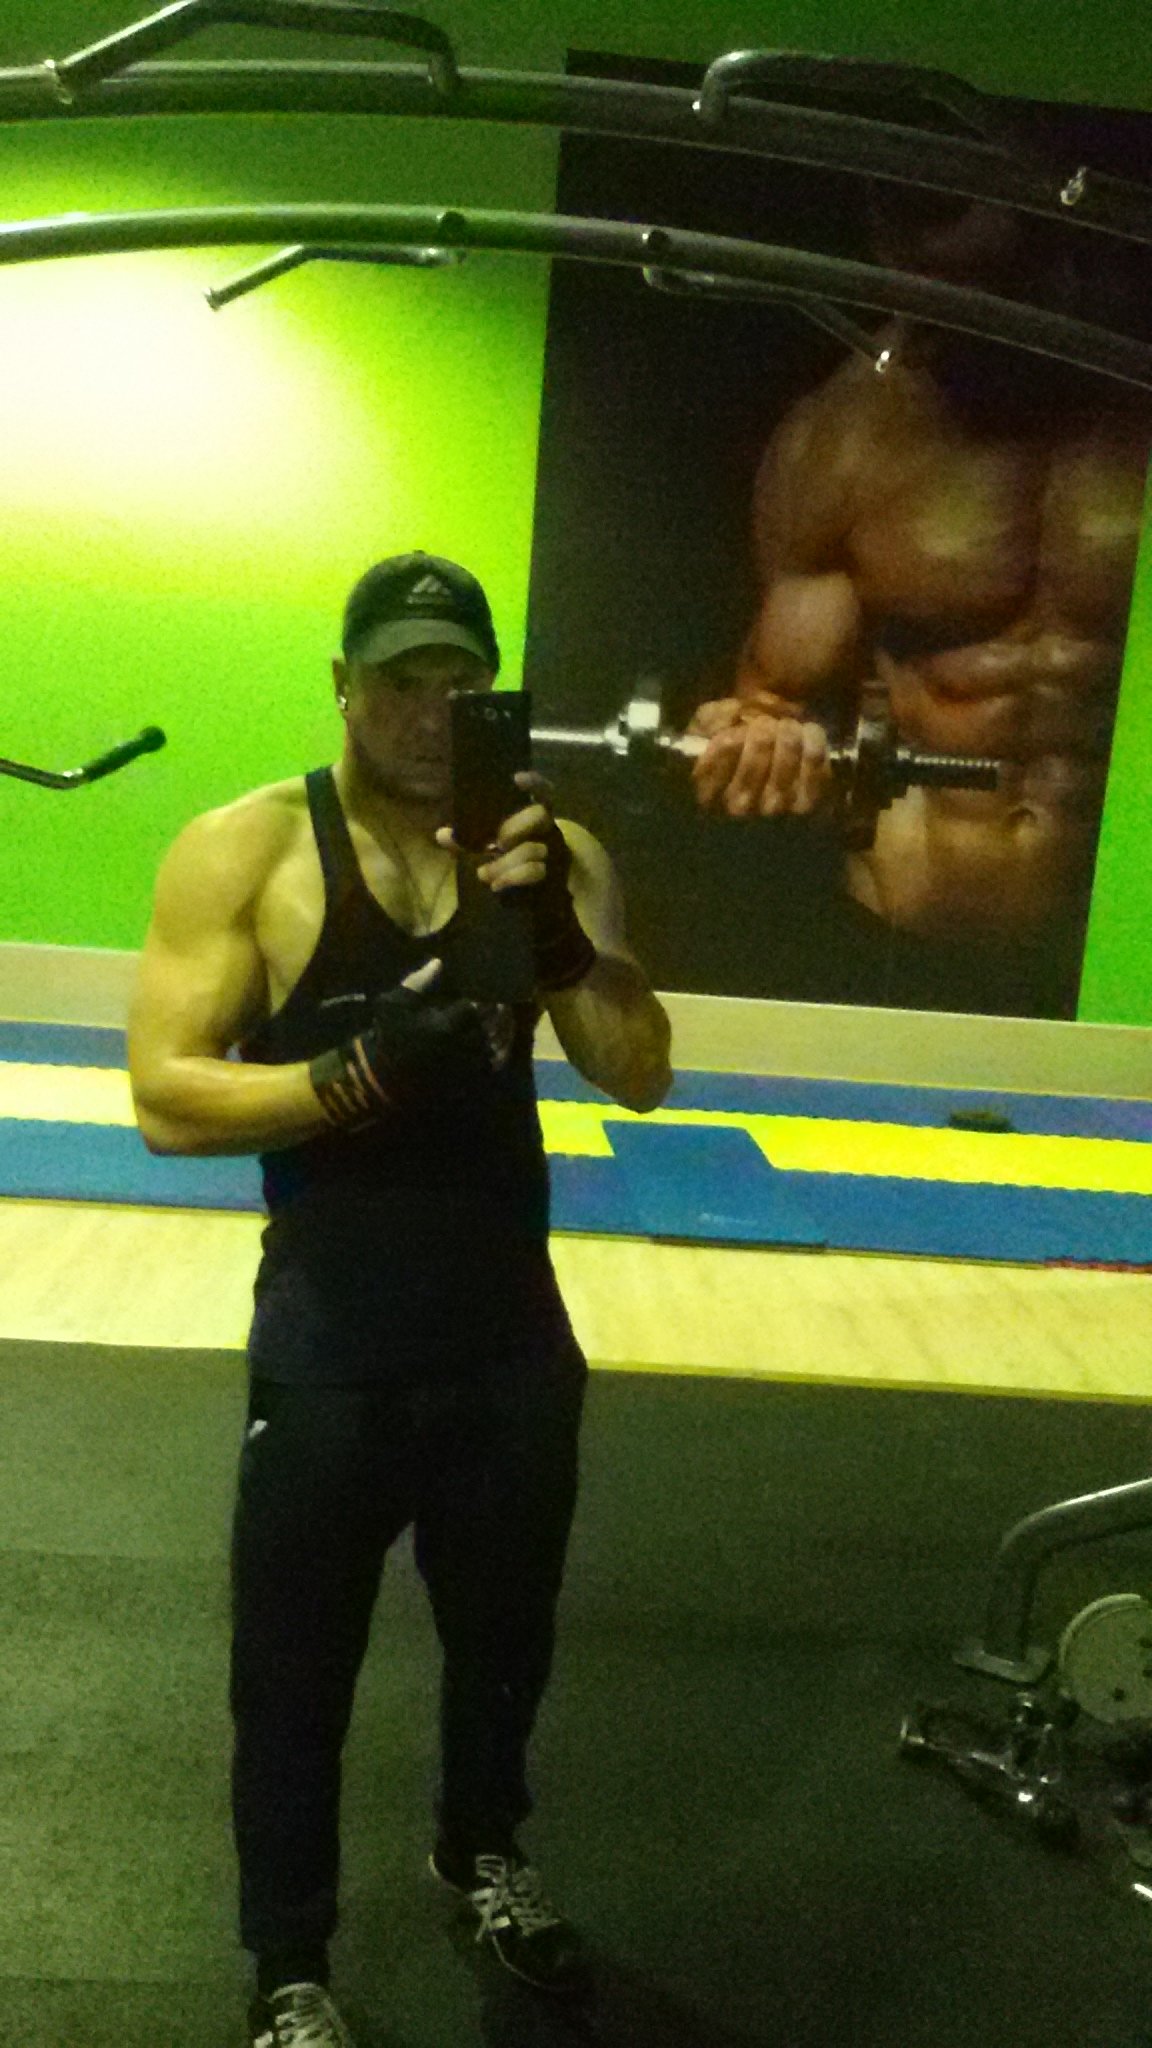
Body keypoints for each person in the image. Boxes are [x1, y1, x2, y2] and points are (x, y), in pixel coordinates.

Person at [127, 551, 673, 2048]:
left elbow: (640, 1070)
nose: (431, 711)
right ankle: (288, 1964)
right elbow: (165, 1096)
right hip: (330, 1351)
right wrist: (355, 1073)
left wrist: (563, 946)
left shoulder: (549, 848)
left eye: (459, 682)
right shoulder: (247, 851)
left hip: (510, 1341)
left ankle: (482, 1852)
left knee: (507, 1647)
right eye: (399, 680)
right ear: (343, 685)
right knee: (292, 1677)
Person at [687, 190, 1152, 1017]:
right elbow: (771, 701)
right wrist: (756, 747)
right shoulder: (847, 438)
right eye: (899, 251)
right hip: (904, 940)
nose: (918, 283)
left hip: (1122, 959)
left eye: (944, 234)